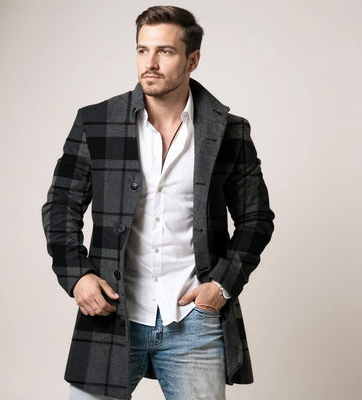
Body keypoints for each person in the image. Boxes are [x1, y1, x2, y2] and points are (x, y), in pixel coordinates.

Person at [42, 5, 274, 400]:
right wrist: (77, 275)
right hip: (113, 313)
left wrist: (222, 284)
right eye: (142, 50)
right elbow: (61, 206)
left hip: (194, 320)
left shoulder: (228, 131)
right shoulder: (97, 122)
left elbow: (256, 217)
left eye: (164, 51)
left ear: (192, 60)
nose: (150, 63)